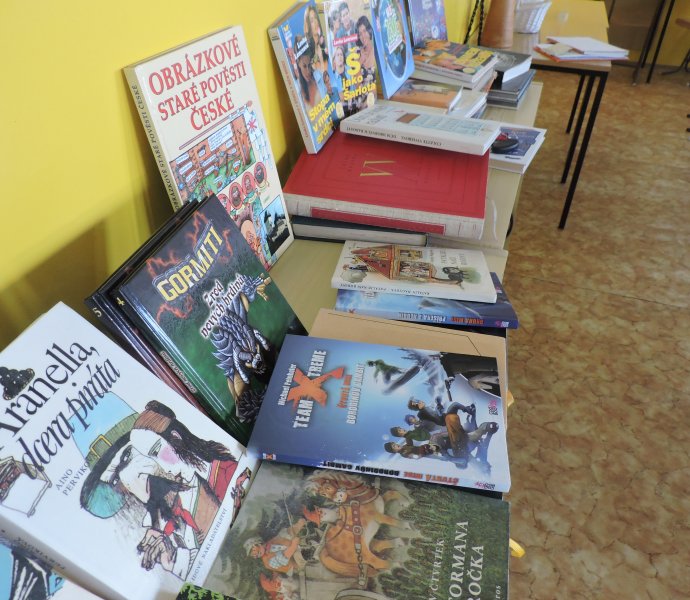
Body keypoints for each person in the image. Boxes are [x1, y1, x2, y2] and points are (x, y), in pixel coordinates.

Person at [295, 40, 324, 109]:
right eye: (304, 66)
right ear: (298, 63)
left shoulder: (319, 76)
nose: (308, 71)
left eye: (309, 65)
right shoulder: (297, 87)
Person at [304, 4, 329, 75]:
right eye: (312, 21)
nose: (315, 22)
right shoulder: (309, 52)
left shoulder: (324, 42)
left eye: (316, 18)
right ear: (308, 25)